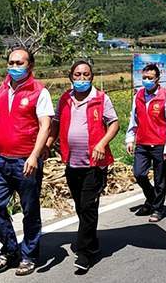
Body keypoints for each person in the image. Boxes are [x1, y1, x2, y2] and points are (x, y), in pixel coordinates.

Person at [0, 47, 54, 276]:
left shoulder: (40, 92)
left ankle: (29, 255)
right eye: (11, 62)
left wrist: (35, 156)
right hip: (0, 160)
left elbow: (46, 126)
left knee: (30, 211)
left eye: (20, 63)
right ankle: (10, 249)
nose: (14, 67)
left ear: (30, 66)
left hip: (26, 161)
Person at [48, 61, 120, 273]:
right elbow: (56, 124)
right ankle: (92, 239)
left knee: (88, 205)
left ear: (92, 77)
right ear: (71, 77)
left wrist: (102, 143)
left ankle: (86, 252)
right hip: (71, 162)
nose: (81, 79)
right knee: (81, 206)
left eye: (86, 75)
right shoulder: (64, 99)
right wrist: (48, 145)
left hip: (94, 164)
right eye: (77, 75)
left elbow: (114, 123)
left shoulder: (100, 98)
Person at [125, 63, 166, 222]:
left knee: (160, 179)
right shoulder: (138, 96)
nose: (147, 80)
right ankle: (152, 198)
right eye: (144, 78)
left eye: (150, 78)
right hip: (142, 142)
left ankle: (157, 209)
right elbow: (133, 119)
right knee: (139, 174)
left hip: (160, 144)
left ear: (157, 79)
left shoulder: (165, 97)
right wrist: (130, 138)